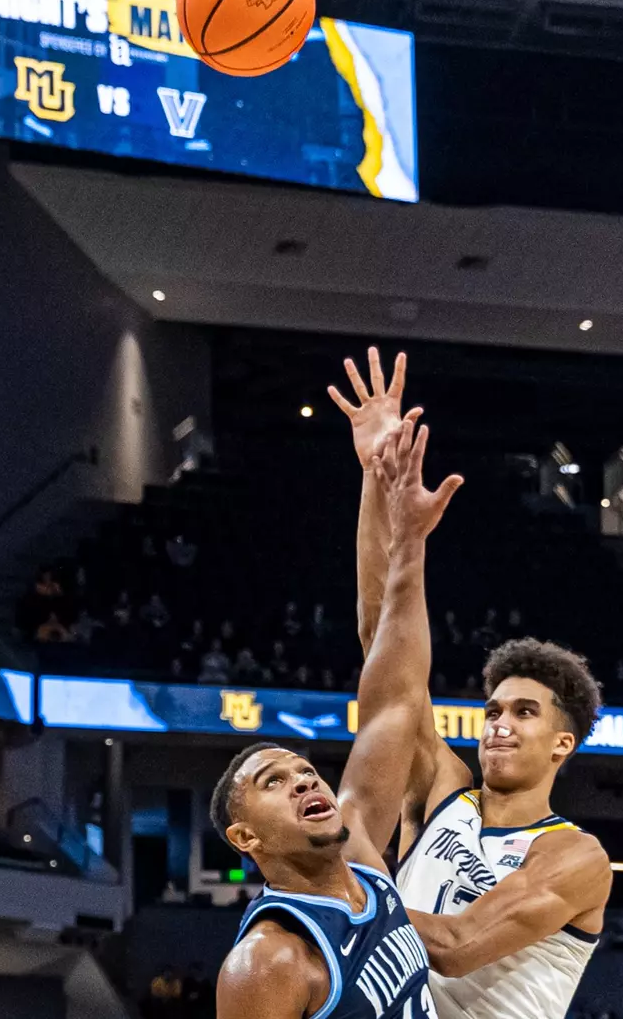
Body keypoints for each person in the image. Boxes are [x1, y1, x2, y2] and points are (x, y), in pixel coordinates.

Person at [331, 347, 609, 1019]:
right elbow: (382, 641)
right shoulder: (443, 793)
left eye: (523, 713)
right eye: (492, 709)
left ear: (562, 745)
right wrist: (379, 481)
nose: (499, 724)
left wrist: (333, 880)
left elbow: (459, 944)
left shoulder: (575, 856)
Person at [212, 412, 455, 1019]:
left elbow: (397, 694)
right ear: (245, 838)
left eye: (302, 771)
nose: (303, 780)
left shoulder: (364, 857)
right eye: (273, 783)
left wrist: (407, 536)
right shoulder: (271, 960)